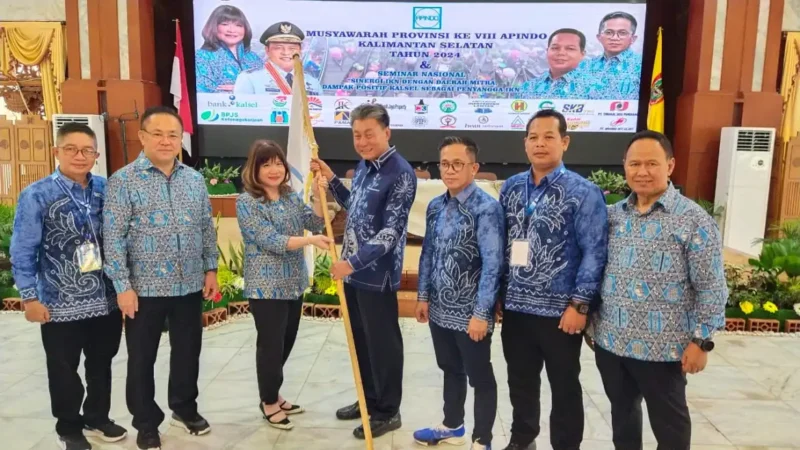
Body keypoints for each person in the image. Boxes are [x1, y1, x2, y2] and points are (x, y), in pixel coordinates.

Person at [590, 131, 727, 450]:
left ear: (670, 165)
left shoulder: (693, 220)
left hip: (665, 349)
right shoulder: (612, 216)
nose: (642, 171)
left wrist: (701, 342)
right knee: (623, 419)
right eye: (634, 163)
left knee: (670, 427)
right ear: (624, 166)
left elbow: (712, 287)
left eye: (652, 163)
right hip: (612, 343)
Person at [103, 106, 220, 450]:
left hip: (188, 285)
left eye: (173, 135)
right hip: (144, 289)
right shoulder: (123, 181)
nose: (167, 141)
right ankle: (145, 422)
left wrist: (210, 268)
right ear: (142, 137)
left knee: (188, 352)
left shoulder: (194, 179)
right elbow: (113, 237)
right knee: (142, 358)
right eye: (158, 134)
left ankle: (184, 408)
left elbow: (204, 228)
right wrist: (122, 287)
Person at [11, 123, 127, 450]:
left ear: (97, 155)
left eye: (87, 150)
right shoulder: (37, 194)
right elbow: (22, 249)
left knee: (101, 362)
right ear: (57, 152)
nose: (80, 156)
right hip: (59, 301)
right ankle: (69, 425)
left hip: (105, 298)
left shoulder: (107, 189)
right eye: (71, 149)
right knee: (64, 368)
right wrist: (29, 297)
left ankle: (97, 416)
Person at [499, 109, 608, 450]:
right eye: (533, 137)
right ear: (525, 143)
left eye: (548, 137)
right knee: (520, 381)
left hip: (560, 313)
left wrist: (580, 304)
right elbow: (504, 243)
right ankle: (522, 439)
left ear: (565, 141)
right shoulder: (512, 187)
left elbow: (594, 251)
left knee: (564, 385)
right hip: (516, 308)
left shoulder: (583, 192)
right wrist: (499, 294)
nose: (540, 144)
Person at [310, 103, 417, 439]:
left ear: (386, 132)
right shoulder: (366, 166)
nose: (362, 141)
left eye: (369, 134)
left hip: (377, 276)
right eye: (357, 135)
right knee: (361, 342)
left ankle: (388, 411)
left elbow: (391, 233)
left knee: (383, 345)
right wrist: (330, 180)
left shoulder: (400, 173)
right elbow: (353, 208)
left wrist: (352, 262)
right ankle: (368, 398)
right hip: (353, 275)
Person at [413, 136, 504, 450]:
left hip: (471, 315)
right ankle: (452, 426)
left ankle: (483, 439)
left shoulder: (486, 209)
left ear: (474, 167)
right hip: (439, 309)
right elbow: (427, 253)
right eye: (444, 164)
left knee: (480, 376)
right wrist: (423, 296)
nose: (449, 170)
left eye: (457, 164)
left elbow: (493, 264)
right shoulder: (436, 205)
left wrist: (481, 313)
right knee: (450, 368)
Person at [236, 140, 332, 430]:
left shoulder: (290, 196)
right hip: (266, 287)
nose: (274, 169)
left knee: (285, 342)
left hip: (293, 283)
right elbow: (270, 240)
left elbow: (314, 223)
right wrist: (310, 242)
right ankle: (268, 402)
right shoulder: (247, 202)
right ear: (254, 168)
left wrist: (317, 197)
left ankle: (274, 392)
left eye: (278, 163)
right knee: (270, 345)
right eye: (266, 164)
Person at [234, 21, 323, 96]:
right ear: (267, 50)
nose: (286, 52)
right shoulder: (249, 79)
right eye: (278, 47)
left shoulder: (313, 82)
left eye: (292, 48)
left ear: (300, 51)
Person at [195, 5, 264, 93]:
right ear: (213, 27)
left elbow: (268, 89)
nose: (232, 30)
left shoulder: (254, 58)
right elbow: (201, 93)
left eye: (238, 25)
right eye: (225, 24)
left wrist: (243, 88)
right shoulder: (202, 57)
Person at [526, 29, 604, 100]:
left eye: (570, 49)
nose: (561, 53)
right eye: (555, 48)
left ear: (582, 54)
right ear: (547, 51)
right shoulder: (529, 87)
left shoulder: (596, 88)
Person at [582, 11, 642, 99]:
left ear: (633, 38)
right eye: (609, 32)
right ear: (599, 37)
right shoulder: (585, 66)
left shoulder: (642, 65)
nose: (614, 38)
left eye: (622, 33)